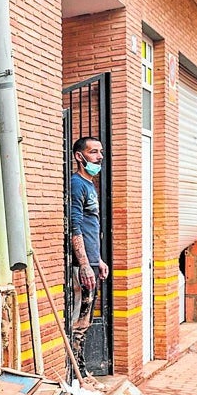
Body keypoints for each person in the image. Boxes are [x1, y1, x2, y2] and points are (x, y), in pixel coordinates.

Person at [69, 135, 109, 372]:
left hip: (91, 262)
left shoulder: (90, 186)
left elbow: (90, 227)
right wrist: (84, 264)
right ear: (79, 156)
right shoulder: (77, 184)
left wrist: (98, 260)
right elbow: (75, 226)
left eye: (100, 152)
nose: (99, 157)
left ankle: (82, 372)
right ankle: (77, 374)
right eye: (94, 152)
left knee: (86, 321)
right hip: (81, 267)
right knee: (79, 322)